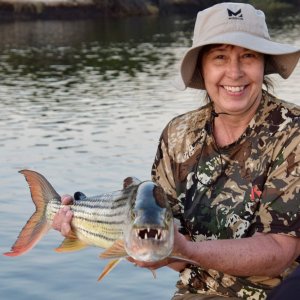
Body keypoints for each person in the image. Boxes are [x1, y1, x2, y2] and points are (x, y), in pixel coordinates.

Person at [52, 2, 300, 299]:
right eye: (220, 57)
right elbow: (173, 251)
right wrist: (88, 227)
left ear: (263, 64)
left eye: (248, 56)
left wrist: (184, 248)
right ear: (202, 67)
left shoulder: (292, 131)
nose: (234, 73)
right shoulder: (178, 135)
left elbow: (279, 251)